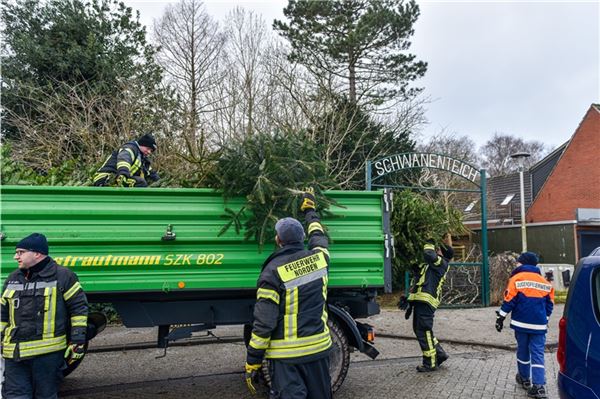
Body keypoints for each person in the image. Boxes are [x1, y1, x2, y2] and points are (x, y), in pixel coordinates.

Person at [245, 188, 332, 399]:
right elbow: (318, 236)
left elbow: (264, 323)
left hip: (287, 358)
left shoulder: (272, 272)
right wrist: (310, 211)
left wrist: (253, 361)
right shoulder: (320, 259)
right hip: (319, 350)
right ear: (301, 238)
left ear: (278, 240)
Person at [1, 233, 88, 399]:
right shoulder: (13, 278)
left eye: (20, 252)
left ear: (37, 253)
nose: (15, 257)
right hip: (14, 355)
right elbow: (2, 313)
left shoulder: (63, 276)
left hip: (47, 356)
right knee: (14, 396)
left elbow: (78, 308)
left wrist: (78, 341)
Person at [495, 251, 554, 399]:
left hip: (521, 324)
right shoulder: (545, 282)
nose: (516, 264)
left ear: (523, 263)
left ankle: (524, 378)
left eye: (518, 262)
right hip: (539, 326)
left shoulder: (516, 278)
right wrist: (545, 318)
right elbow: (550, 305)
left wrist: (500, 318)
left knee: (523, 351)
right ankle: (539, 387)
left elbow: (509, 300)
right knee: (538, 354)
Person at [403, 234, 454, 372]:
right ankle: (440, 354)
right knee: (422, 330)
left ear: (443, 254)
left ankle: (430, 363)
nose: (437, 250)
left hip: (427, 302)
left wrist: (430, 239)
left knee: (423, 330)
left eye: (439, 249)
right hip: (421, 301)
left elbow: (429, 254)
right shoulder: (431, 266)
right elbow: (418, 274)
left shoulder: (441, 263)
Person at [92, 133, 159, 187]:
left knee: (140, 181)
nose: (149, 152)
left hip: (118, 178)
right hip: (106, 178)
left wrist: (159, 181)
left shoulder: (142, 158)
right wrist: (123, 174)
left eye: (151, 151)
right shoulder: (130, 149)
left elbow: (150, 172)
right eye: (148, 148)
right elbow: (124, 160)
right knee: (140, 182)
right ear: (142, 144)